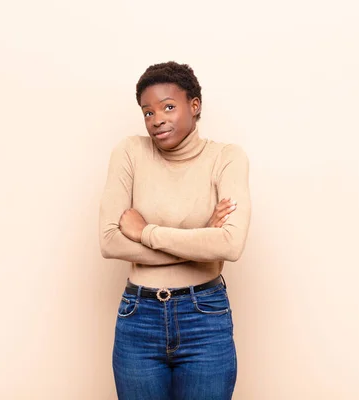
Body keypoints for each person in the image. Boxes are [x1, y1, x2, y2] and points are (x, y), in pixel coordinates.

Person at [99, 61, 251, 400]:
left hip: (204, 318)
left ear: (194, 106)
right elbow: (110, 241)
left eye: (168, 106)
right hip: (138, 318)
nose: (157, 119)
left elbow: (230, 244)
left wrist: (145, 232)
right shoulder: (130, 152)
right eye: (148, 112)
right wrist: (200, 239)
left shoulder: (226, 158)